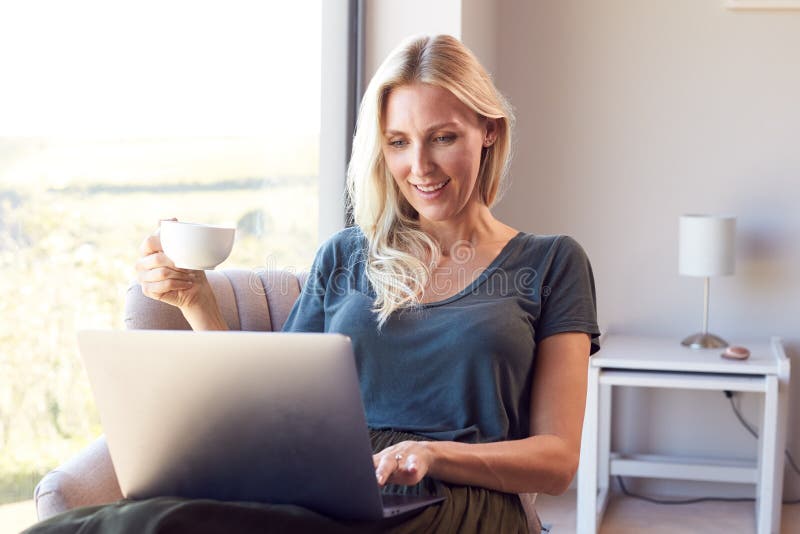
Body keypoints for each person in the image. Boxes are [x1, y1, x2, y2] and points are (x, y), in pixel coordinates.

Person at [27, 34, 600, 534]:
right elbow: (268, 409)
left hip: (458, 499)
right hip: (327, 491)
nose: (419, 166)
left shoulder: (551, 263)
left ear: (488, 133)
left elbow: (556, 460)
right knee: (117, 521)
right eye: (398, 142)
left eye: (443, 137)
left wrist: (431, 453)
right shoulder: (346, 254)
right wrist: (193, 301)